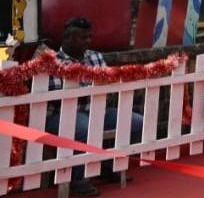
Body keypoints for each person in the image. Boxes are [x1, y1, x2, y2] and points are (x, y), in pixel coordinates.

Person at [42, 17, 145, 196]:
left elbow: (107, 83)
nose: (88, 41)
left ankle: (109, 166)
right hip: (61, 115)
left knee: (137, 122)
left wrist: (100, 88)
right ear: (68, 39)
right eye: (83, 38)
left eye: (89, 37)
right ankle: (77, 179)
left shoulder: (95, 56)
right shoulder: (52, 62)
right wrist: (92, 89)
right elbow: (57, 96)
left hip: (98, 111)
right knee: (83, 127)